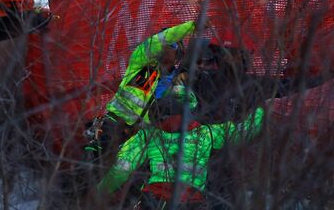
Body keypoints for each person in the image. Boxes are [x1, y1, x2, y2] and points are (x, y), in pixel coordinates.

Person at [96, 86, 265, 209]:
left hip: (153, 201)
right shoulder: (206, 133)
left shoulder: (147, 135)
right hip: (192, 202)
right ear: (193, 109)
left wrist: (96, 195)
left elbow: (120, 170)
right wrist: (261, 109)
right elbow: (243, 133)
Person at [86, 21, 196, 159]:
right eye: (163, 43)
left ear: (178, 54)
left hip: (140, 137)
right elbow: (159, 40)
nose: (164, 47)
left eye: (171, 45)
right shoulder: (140, 60)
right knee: (95, 159)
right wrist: (193, 26)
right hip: (115, 123)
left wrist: (185, 80)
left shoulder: (178, 80)